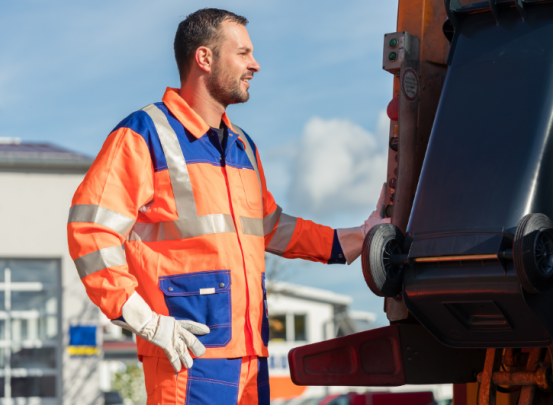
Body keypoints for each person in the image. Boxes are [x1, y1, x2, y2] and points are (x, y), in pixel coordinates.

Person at [67, 8, 388, 405]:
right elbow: (91, 231)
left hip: (252, 358)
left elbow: (272, 227)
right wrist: (143, 320)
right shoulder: (144, 134)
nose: (255, 64)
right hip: (187, 356)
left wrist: (362, 237)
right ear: (205, 58)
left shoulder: (242, 146)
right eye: (243, 53)